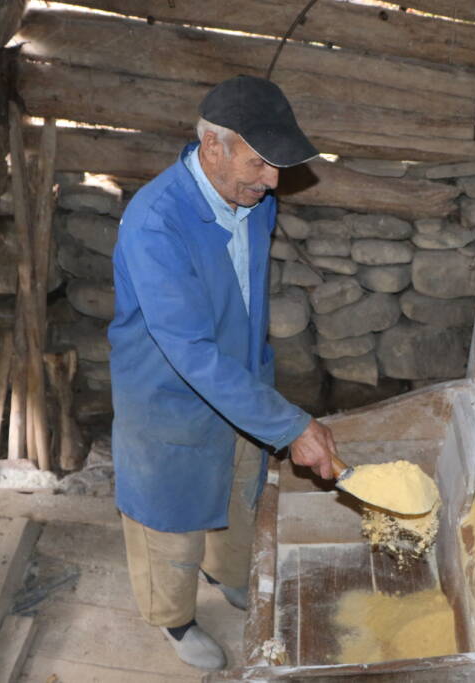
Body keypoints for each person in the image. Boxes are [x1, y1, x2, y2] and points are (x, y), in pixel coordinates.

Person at [108, 75, 338, 670]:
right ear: (213, 146)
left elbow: (245, 295)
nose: (274, 181)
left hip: (240, 378)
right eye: (261, 163)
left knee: (240, 491)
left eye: (277, 167)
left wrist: (262, 390)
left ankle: (232, 574)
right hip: (168, 395)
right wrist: (291, 425)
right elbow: (188, 351)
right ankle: (175, 621)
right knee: (171, 520)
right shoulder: (155, 223)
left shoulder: (254, 200)